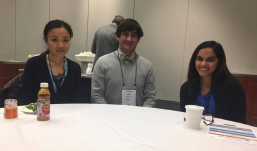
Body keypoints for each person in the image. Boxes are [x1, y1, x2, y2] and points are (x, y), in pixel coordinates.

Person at [92, 19, 156, 107]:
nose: (129, 39)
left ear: (138, 40)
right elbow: (96, 95)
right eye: (125, 34)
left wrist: (142, 117)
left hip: (138, 118)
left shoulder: (147, 66)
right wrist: (108, 117)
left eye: (133, 35)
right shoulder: (102, 63)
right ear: (117, 37)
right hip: (109, 118)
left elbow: (150, 97)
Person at [180, 41, 246, 123]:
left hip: (223, 133)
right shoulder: (186, 87)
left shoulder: (232, 86)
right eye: (199, 59)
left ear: (219, 62)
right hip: (195, 132)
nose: (203, 64)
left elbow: (240, 121)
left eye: (210, 60)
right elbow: (185, 118)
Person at [21, 20, 83, 105]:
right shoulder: (34, 64)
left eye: (65, 40)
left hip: (67, 116)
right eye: (54, 40)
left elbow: (77, 101)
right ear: (45, 40)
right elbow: (26, 99)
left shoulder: (75, 68)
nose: (61, 45)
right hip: (39, 115)